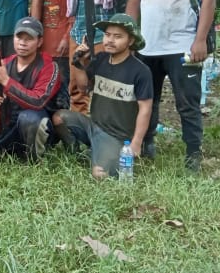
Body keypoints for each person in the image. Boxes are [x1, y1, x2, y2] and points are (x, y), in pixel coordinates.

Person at [125, 0, 216, 171]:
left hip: (183, 45)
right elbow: (134, 0)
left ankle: (193, 153)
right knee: (146, 99)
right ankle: (146, 144)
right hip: (148, 46)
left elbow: (208, 1)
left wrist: (200, 40)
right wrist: (131, 36)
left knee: (187, 102)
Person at [52, 14, 153, 179]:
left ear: (131, 41)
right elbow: (83, 87)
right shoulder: (100, 59)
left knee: (100, 174)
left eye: (118, 36)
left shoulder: (140, 71)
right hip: (93, 125)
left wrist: (136, 143)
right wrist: (78, 62)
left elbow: (145, 109)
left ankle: (100, 156)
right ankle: (78, 153)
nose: (110, 40)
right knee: (59, 118)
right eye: (107, 35)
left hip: (117, 136)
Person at [0, 16, 61, 160]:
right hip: (8, 128)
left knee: (29, 118)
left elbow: (38, 101)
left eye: (29, 39)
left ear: (39, 42)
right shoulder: (5, 63)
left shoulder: (49, 66)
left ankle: (34, 158)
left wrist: (7, 81)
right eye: (19, 37)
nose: (22, 43)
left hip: (35, 125)